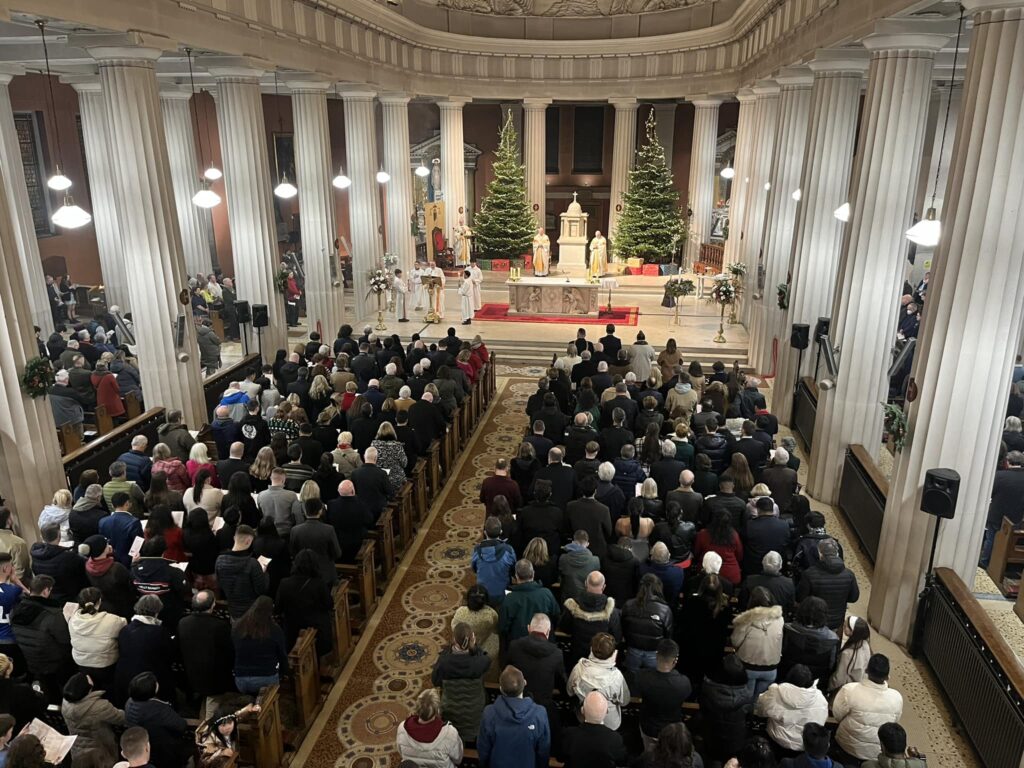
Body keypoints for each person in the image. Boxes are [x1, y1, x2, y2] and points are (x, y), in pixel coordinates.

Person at [10, 575, 74, 703]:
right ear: (45, 591)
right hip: (52, 663)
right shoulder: (53, 615)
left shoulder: (15, 610)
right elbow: (66, 641)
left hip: (28, 660)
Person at [833, 654, 904, 762]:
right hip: (877, 753)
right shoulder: (897, 697)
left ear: (866, 670)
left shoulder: (849, 690)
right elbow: (894, 723)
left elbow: (837, 715)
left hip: (847, 746)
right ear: (887, 676)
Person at [477, 665, 550, 768]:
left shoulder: (489, 713)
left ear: (501, 689)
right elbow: (543, 751)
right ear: (524, 683)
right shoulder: (540, 713)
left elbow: (483, 749)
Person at [431, 623, 491, 741]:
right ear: (472, 639)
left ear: (454, 640)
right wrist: (475, 647)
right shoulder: (481, 662)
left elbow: (435, 681)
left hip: (450, 714)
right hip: (475, 712)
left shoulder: (444, 662)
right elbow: (485, 659)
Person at [754, 663, 829, 753]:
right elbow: (821, 721)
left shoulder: (776, 692)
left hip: (777, 740)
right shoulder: (820, 698)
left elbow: (761, 709)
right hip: (805, 745)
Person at [177, 591, 234, 708]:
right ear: (213, 605)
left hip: (190, 673)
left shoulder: (183, 623)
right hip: (214, 677)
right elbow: (229, 652)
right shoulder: (220, 625)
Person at [633, 639, 692, 751]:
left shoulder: (642, 677)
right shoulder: (683, 683)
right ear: (676, 660)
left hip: (648, 727)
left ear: (656, 655)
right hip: (672, 730)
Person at [275, 549, 334, 657]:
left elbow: (278, 608)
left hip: (292, 632)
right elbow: (329, 604)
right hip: (317, 632)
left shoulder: (284, 583)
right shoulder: (319, 584)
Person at [124, 671, 188, 768]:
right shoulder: (158, 709)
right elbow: (181, 725)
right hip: (164, 748)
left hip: (145, 746)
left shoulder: (129, 702)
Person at [68, 587, 126, 692]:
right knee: (109, 689)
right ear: (99, 601)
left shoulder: (72, 620)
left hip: (81, 663)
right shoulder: (112, 620)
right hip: (106, 664)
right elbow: (124, 626)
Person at [60, 672, 125, 766]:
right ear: (87, 690)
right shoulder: (99, 707)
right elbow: (120, 718)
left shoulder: (65, 703)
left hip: (77, 750)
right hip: (101, 751)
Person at [796, 538, 859, 632]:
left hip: (814, 620)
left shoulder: (809, 574)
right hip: (837, 621)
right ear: (837, 553)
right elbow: (854, 598)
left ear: (820, 554)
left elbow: (800, 598)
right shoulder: (849, 575)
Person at [560, 571, 621, 668]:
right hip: (600, 661)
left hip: (577, 659)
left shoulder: (572, 606)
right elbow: (616, 637)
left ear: (585, 584)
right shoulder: (611, 611)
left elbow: (564, 628)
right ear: (604, 586)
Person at [699, 653, 754, 763]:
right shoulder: (747, 697)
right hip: (736, 741)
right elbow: (749, 719)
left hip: (712, 737)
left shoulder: (708, 691)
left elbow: (703, 711)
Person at [232, 596, 289, 695]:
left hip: (241, 679)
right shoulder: (274, 630)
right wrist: (285, 673)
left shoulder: (237, 627)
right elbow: (282, 655)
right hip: (266, 678)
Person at [779, 597, 839, 687]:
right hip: (816, 683)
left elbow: (782, 651)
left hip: (787, 676)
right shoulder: (832, 639)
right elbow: (831, 664)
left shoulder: (788, 630)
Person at [396, 688, 464, 768]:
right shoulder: (450, 733)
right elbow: (458, 759)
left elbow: (401, 753)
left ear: (417, 708)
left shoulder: (402, 728)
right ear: (437, 711)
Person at [498, 560, 560, 646]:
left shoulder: (509, 599)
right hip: (545, 645)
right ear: (533, 573)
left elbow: (503, 627)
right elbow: (556, 616)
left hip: (518, 647)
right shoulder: (547, 594)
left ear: (516, 576)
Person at [620, 573, 673, 674]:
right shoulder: (665, 610)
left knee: (631, 678)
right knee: (651, 679)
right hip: (654, 653)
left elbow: (623, 627)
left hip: (632, 650)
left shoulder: (628, 605)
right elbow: (668, 635)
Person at [980, 449, 1024, 567]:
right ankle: (1001, 565)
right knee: (1007, 541)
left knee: (991, 538)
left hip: (997, 514)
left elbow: (990, 493)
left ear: (1007, 462)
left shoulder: (1000, 475)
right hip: (1016, 517)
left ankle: (985, 562)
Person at [562, 691, 627, 768]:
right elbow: (622, 762)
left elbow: (560, 758)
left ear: (582, 711)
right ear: (607, 711)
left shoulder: (569, 734)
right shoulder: (615, 738)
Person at [216, 525, 268, 619]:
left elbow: (220, 583)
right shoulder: (252, 564)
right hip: (251, 610)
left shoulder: (220, 560)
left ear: (234, 538)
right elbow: (261, 590)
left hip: (233, 609)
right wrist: (263, 573)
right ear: (249, 541)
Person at [288, 499, 341, 586]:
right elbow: (337, 553)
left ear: (305, 511)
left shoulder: (295, 530)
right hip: (326, 575)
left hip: (303, 575)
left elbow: (293, 553)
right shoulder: (328, 529)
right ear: (320, 511)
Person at [29, 523, 86, 604]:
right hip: (69, 597)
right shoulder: (68, 557)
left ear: (42, 537)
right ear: (59, 536)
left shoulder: (36, 555)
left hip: (48, 595)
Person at [194, 703, 259, 767]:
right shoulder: (209, 738)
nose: (227, 728)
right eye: (223, 725)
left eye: (230, 723)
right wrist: (221, 753)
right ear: (217, 726)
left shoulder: (232, 721)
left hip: (232, 759)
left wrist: (249, 710)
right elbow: (206, 761)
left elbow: (238, 716)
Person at [472, 518, 516, 606]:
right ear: (501, 532)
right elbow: (513, 570)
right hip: (503, 594)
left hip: (482, 596)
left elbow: (474, 569)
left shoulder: (477, 549)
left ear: (484, 532)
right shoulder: (508, 550)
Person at [695, 509, 743, 586]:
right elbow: (740, 556)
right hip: (730, 574)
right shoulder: (734, 535)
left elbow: (696, 553)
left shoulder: (702, 534)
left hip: (707, 572)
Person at [829, 616, 872, 693]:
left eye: (845, 626)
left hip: (848, 688)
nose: (843, 627)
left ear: (852, 632)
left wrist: (830, 687)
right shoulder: (865, 644)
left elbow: (840, 677)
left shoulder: (847, 653)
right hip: (862, 684)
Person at [559, 530, 601, 604]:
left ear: (573, 542)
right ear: (588, 544)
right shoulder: (595, 561)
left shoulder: (563, 559)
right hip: (587, 601)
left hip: (568, 601)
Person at [862, 722, 927, 768]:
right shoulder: (920, 764)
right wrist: (916, 757)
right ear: (904, 744)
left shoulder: (868, 765)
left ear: (882, 746)